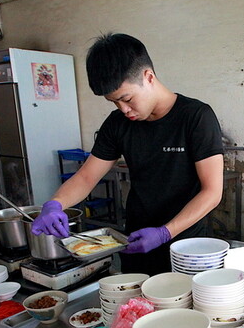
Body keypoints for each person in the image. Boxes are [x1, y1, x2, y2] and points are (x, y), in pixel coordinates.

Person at [31, 33, 225, 275]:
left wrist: (165, 232)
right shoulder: (117, 124)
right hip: (136, 241)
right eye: (114, 102)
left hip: (186, 246)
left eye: (127, 99)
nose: (124, 109)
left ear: (149, 77)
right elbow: (86, 177)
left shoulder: (196, 117)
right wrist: (55, 204)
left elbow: (212, 192)